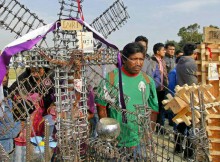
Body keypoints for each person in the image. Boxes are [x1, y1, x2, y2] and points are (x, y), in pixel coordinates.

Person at [96, 42, 158, 151]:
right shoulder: (111, 79)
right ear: (124, 59)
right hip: (116, 142)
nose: (138, 63)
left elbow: (154, 111)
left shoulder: (148, 81)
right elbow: (101, 107)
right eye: (134, 59)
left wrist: (148, 135)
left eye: (141, 59)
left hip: (139, 141)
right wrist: (109, 135)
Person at [175, 43, 198, 159]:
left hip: (181, 96)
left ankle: (177, 148)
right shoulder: (193, 63)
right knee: (192, 126)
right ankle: (189, 154)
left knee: (181, 124)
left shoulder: (180, 62)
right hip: (192, 97)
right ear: (194, 52)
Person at [0, 67, 21, 157]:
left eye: (7, 75)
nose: (5, 79)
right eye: (2, 75)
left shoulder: (5, 91)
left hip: (8, 140)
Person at [151, 43, 168, 128]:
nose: (164, 51)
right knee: (155, 108)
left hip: (162, 88)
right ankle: (154, 126)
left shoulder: (163, 61)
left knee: (161, 108)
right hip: (155, 88)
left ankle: (160, 126)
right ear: (157, 51)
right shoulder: (152, 61)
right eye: (163, 50)